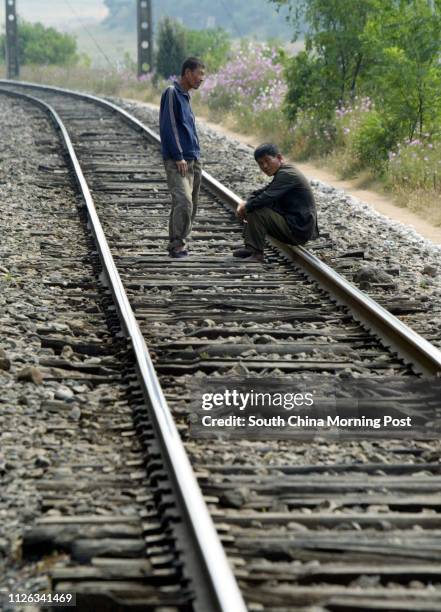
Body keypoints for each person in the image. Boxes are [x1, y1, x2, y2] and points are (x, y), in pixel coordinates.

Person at [234, 143, 319, 263]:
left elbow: (266, 197)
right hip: (293, 223)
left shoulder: (288, 174)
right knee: (254, 205)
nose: (265, 166)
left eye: (267, 161)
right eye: (261, 163)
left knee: (258, 210)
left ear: (279, 158)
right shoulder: (283, 172)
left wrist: (246, 206)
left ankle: (256, 253)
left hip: (298, 229)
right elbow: (263, 192)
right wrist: (246, 202)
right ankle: (251, 248)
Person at [159, 57, 205, 258]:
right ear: (187, 73)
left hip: (193, 159)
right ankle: (177, 244)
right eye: (199, 73)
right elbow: (169, 126)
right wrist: (178, 156)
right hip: (179, 160)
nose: (201, 79)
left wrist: (195, 155)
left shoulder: (186, 96)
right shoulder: (172, 93)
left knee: (190, 203)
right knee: (184, 201)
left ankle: (179, 241)